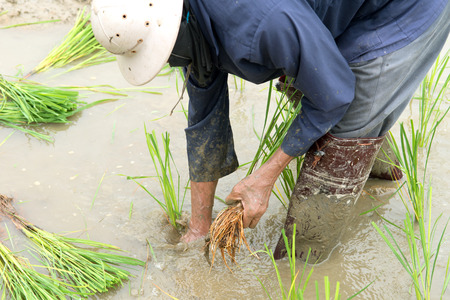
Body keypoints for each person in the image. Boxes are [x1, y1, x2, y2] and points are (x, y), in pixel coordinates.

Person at [91, 0, 449, 263]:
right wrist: (200, 226)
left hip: (402, 12)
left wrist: (265, 178)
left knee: (342, 124)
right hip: (331, 14)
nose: (167, 60)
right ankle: (383, 178)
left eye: (164, 52)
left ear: (174, 26)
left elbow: (335, 94)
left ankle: (309, 263)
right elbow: (205, 118)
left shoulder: (261, 22)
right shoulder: (191, 27)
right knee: (313, 81)